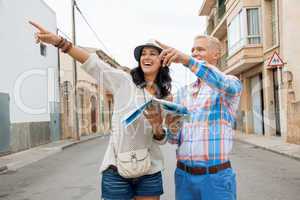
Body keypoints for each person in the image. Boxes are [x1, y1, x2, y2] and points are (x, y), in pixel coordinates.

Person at [29, 21, 172, 200]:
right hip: (116, 169)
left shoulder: (166, 99)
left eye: (153, 54)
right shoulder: (124, 82)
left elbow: (163, 139)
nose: (146, 57)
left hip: (150, 169)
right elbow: (93, 63)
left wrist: (158, 127)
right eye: (143, 54)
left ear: (163, 61)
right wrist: (59, 41)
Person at [160, 35, 242, 200]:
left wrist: (187, 60)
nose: (194, 53)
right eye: (192, 50)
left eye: (200, 49)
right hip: (183, 177)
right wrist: (172, 126)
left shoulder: (230, 83)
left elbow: (222, 83)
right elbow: (174, 140)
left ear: (216, 54)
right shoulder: (183, 93)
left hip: (215, 178)